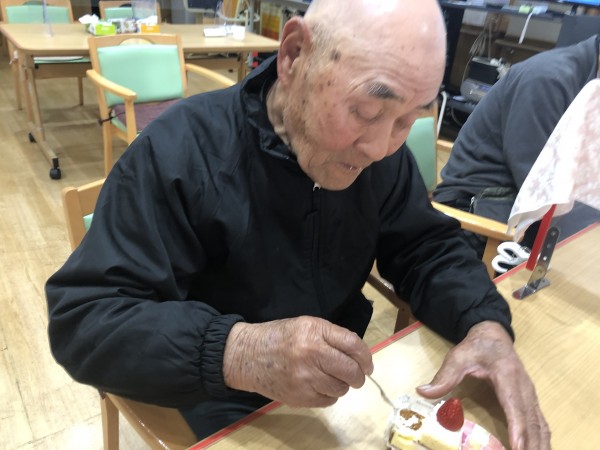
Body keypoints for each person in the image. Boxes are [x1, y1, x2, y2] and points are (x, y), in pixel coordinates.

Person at [45, 0, 550, 448]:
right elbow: (84, 320)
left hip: (338, 391)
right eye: (365, 110)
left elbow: (425, 246)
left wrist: (483, 323)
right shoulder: (178, 154)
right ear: (292, 56)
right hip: (214, 392)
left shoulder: (380, 158)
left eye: (408, 120)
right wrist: (238, 351)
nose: (381, 148)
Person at [434, 34, 600, 257]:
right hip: (476, 213)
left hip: (519, 207)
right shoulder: (548, 80)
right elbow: (538, 184)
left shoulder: (587, 82)